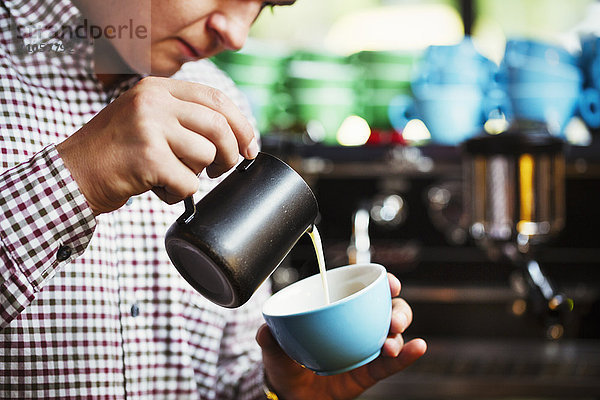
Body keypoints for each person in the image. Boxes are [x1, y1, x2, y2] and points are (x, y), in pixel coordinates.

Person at [0, 0, 427, 398]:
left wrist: (281, 387)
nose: (237, 34)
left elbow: (226, 367)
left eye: (262, 7)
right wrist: (79, 175)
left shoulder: (216, 102)